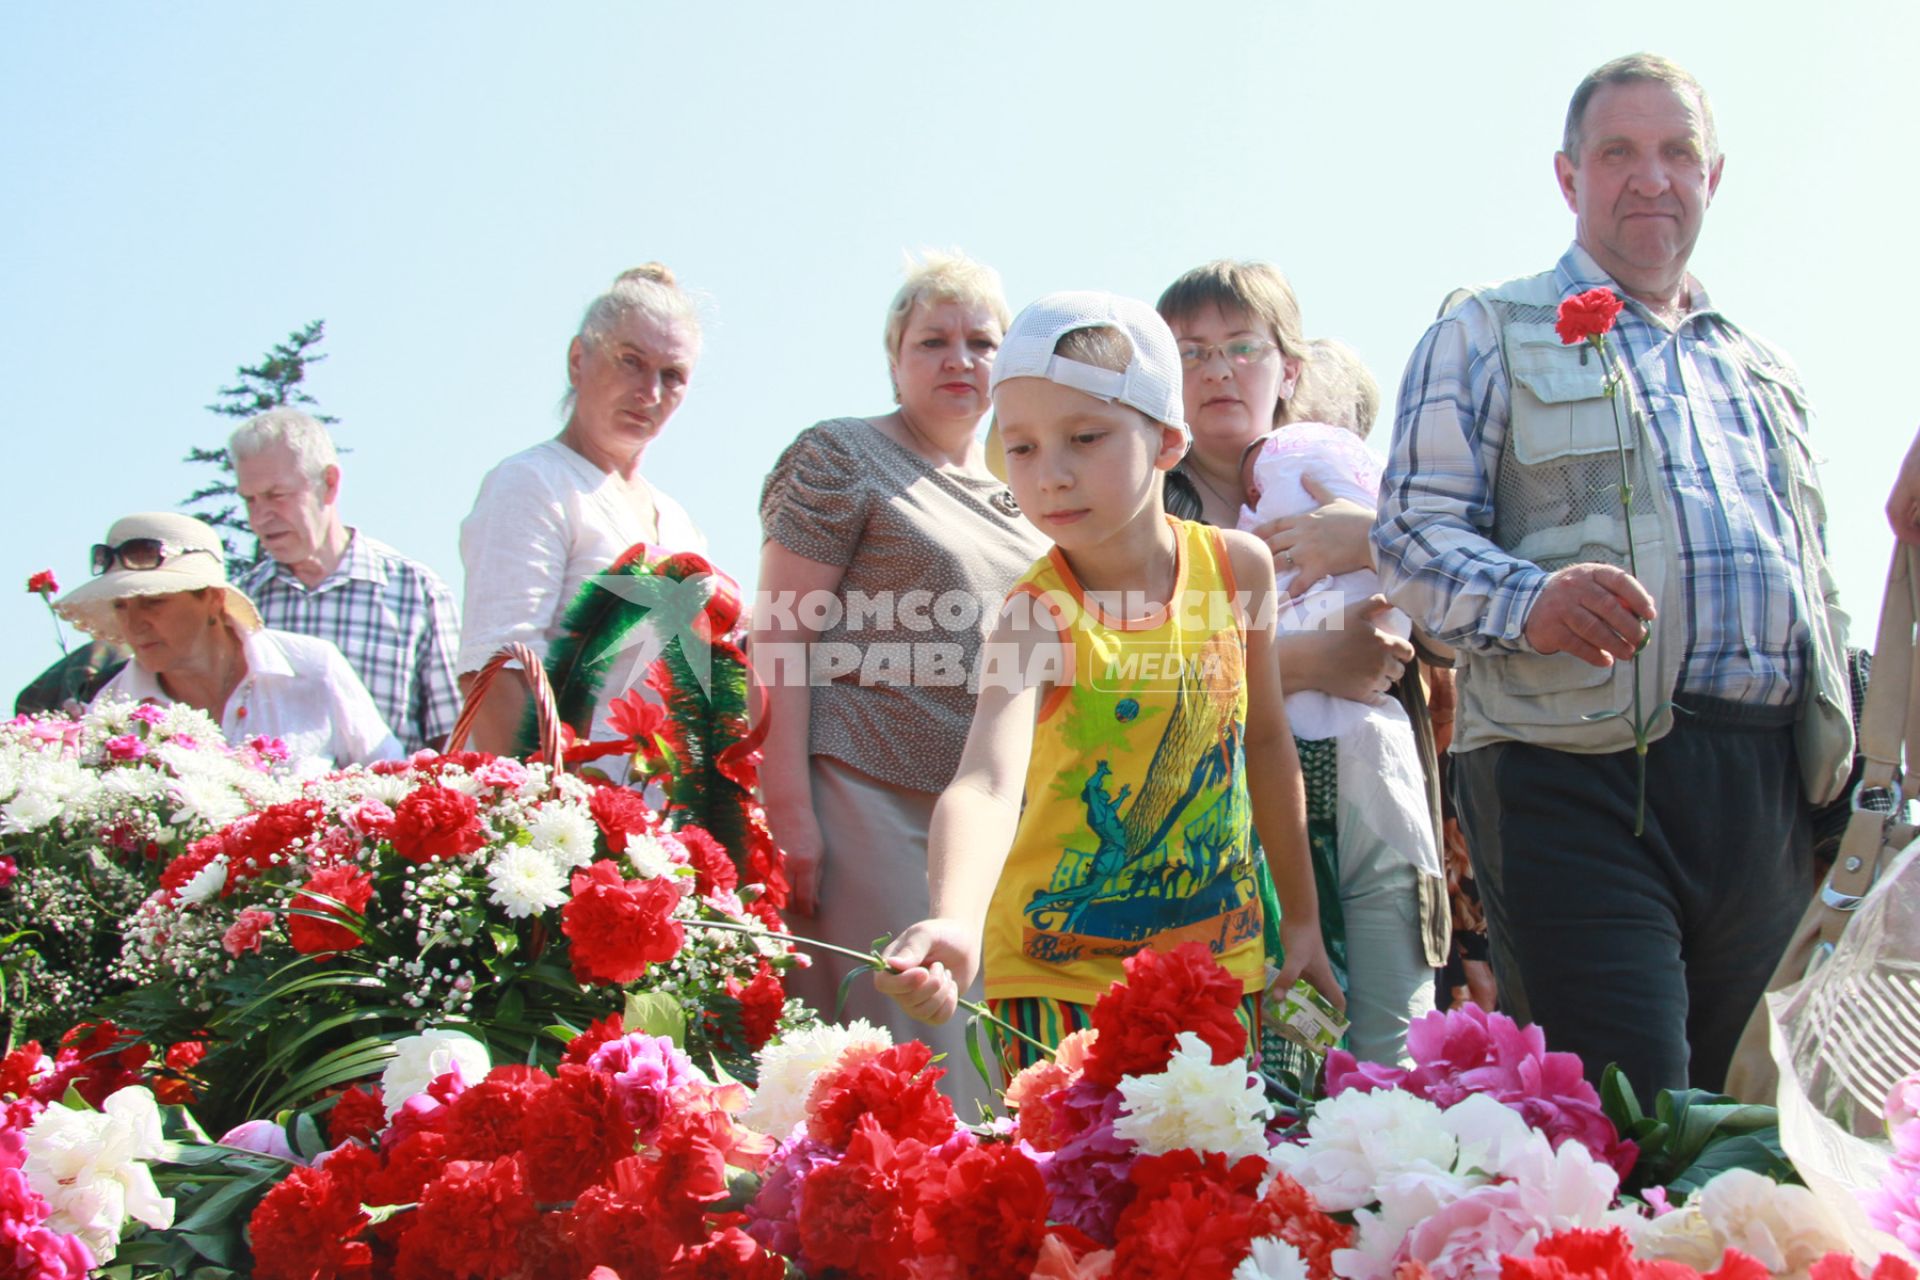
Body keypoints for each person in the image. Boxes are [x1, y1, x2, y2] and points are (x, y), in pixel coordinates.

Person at [1375, 53, 1853, 1095]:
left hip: (1765, 786)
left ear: (1713, 178)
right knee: (1629, 1116)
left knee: (1752, 1127)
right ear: (1567, 176)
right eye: (1619, 152)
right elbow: (1411, 534)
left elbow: (1818, 583)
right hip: (1571, 773)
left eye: (1678, 152)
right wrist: (1531, 601)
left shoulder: (1763, 366)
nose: (1652, 177)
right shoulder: (1485, 328)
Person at [875, 290, 1340, 1067]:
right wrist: (954, 918)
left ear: (1166, 442)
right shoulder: (1035, 613)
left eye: (1084, 437)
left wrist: (1301, 922)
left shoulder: (1236, 568)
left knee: (1213, 1178)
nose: (1050, 475)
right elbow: (988, 782)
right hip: (1057, 982)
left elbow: (1264, 742)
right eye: (1019, 449)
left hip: (1219, 970)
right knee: (1072, 1184)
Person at [753, 252, 1046, 1105]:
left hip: (990, 837)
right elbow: (776, 642)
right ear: (894, 357)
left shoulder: (1022, 504)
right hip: (861, 803)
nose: (960, 359)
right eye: (934, 341)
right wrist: (789, 813)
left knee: (987, 1086)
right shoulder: (841, 455)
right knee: (895, 1075)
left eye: (982, 342)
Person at [1159, 262, 1447, 1067]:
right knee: (1266, 1076)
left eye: (1241, 346)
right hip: (1220, 840)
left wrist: (1375, 540)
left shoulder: (1357, 483)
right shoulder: (1148, 515)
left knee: (1396, 1065)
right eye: (1190, 351)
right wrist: (1307, 658)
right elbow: (1133, 682)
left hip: (1379, 800)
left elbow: (1464, 630)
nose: (1217, 370)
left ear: (1289, 368)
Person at [457, 265, 709, 752]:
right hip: (562, 812)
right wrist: (548, 816)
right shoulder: (532, 483)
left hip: (659, 816)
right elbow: (497, 671)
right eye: (630, 361)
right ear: (578, 360)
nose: (650, 393)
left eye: (672, 375)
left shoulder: (680, 524)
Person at [55, 512, 400, 768]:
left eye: (154, 602)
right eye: (121, 606)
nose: (134, 624)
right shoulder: (113, 711)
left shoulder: (312, 668)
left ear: (212, 599)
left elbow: (389, 777)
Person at [229, 408, 462, 754]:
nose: (261, 516)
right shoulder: (238, 607)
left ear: (329, 484)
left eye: (277, 495)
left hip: (388, 800)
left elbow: (453, 736)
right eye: (250, 500)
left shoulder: (415, 591)